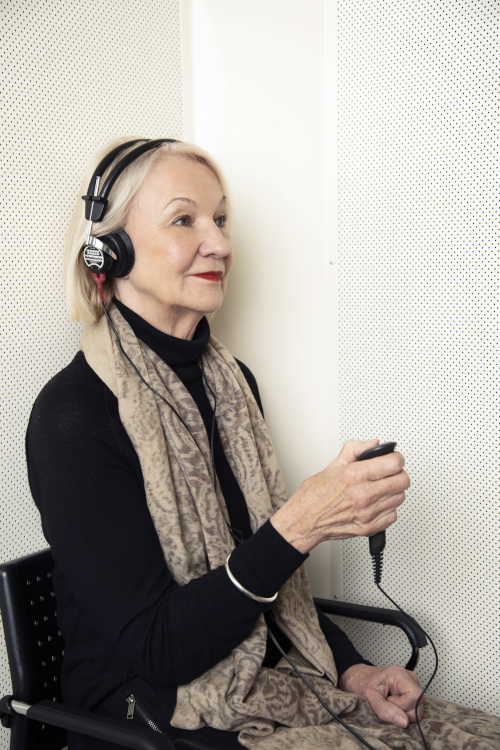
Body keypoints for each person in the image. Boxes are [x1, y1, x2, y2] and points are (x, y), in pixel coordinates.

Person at [26, 137, 500, 750]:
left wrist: (354, 670)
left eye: (220, 219)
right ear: (108, 250)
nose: (220, 243)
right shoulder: (73, 416)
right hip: (146, 712)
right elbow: (160, 648)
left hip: (265, 677)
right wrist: (300, 525)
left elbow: (264, 586)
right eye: (184, 219)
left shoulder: (234, 386)